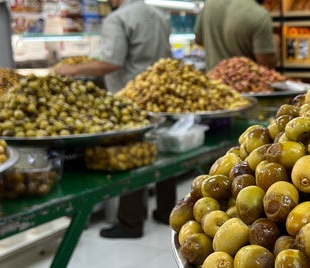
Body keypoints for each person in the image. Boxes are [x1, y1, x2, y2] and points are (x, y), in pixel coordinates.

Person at [53, 0, 175, 239]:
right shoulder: (159, 15)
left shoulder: (117, 19)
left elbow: (111, 62)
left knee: (132, 156)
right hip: (161, 95)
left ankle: (130, 222)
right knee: (164, 151)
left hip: (132, 97)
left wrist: (71, 70)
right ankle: (167, 210)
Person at [194, 0, 278, 71]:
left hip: (213, 85)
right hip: (243, 86)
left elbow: (199, 40)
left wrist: (218, 42)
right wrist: (275, 41)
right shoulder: (259, 15)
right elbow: (267, 64)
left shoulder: (209, 4)